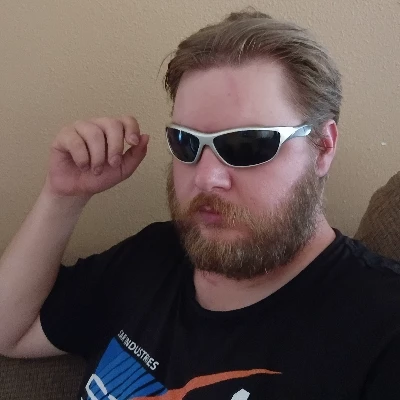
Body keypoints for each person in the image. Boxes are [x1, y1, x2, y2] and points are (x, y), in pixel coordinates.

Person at [1, 9, 400, 400]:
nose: (206, 177)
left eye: (246, 144)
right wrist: (63, 197)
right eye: (186, 142)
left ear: (323, 147)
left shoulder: (382, 327)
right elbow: (11, 333)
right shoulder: (154, 255)